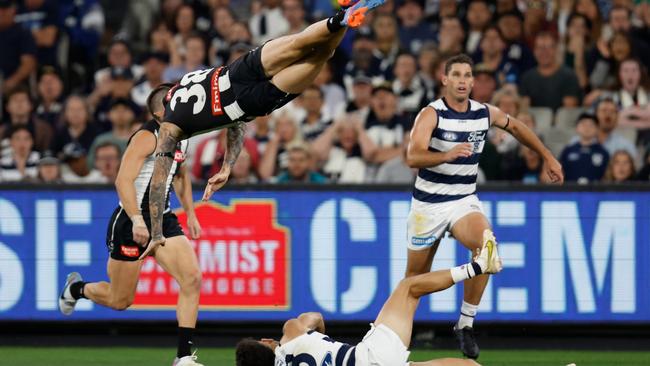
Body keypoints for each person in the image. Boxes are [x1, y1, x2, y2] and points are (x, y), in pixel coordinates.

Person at [144, 0, 387, 257]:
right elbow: (233, 125)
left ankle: (344, 18)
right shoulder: (184, 82)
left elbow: (159, 182)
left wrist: (157, 233)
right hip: (235, 72)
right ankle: (341, 15)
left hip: (248, 103)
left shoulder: (169, 127)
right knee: (299, 43)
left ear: (159, 113)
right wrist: (227, 166)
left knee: (321, 55)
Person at [405, 54, 563, 359]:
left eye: (468, 75)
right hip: (428, 206)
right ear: (445, 80)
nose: (463, 80)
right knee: (413, 282)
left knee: (486, 246)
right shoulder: (431, 114)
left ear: (473, 82)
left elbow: (516, 127)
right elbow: (413, 156)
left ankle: (465, 323)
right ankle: (397, 332)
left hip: (463, 201)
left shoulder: (483, 112)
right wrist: (445, 155)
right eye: (457, 75)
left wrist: (547, 156)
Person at [58, 102, 204, 365]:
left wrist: (191, 213)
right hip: (130, 219)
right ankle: (77, 288)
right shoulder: (147, 136)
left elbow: (180, 175)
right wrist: (137, 219)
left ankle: (183, 356)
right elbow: (122, 180)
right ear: (160, 112)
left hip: (164, 218)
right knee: (120, 300)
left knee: (192, 278)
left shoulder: (183, 136)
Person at [234, 233, 502, 366]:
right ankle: (477, 267)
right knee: (408, 288)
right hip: (368, 355)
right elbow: (316, 317)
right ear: (267, 342)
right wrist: (322, 336)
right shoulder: (290, 331)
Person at [560, 113, 609, 184]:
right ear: (577, 127)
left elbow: (606, 176)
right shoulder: (568, 150)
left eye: (591, 125)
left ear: (597, 129)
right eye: (583, 124)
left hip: (595, 193)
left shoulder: (603, 152)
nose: (587, 128)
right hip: (570, 192)